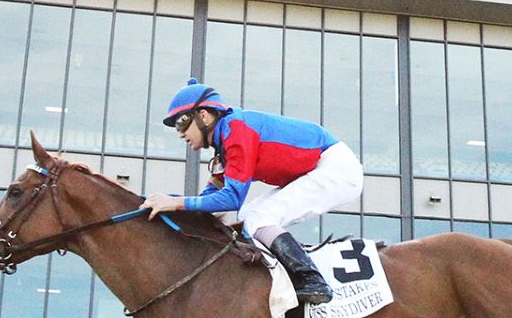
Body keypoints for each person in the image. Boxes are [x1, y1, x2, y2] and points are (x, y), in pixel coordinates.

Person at [142, 79, 364, 305]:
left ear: (205, 116)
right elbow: (211, 196)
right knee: (248, 216)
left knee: (259, 218)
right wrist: (173, 209)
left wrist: (176, 203)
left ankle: (313, 281)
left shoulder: (236, 131)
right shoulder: (225, 142)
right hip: (319, 168)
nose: (180, 133)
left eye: (182, 122)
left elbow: (231, 198)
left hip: (335, 168)